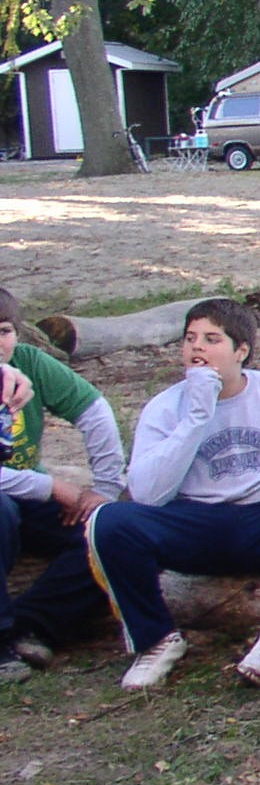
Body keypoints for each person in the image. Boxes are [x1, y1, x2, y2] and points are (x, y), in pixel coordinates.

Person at [85, 299, 260, 691]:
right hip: (197, 524)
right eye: (190, 339)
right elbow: (148, 495)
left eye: (211, 339)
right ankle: (156, 640)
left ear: (242, 350)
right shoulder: (164, 407)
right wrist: (196, 416)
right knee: (110, 521)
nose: (197, 348)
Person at [0, 286, 127, 677]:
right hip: (13, 499)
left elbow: (94, 411)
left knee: (113, 532)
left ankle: (30, 625)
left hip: (25, 493)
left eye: (4, 331)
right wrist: (53, 487)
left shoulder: (27, 363)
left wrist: (104, 490)